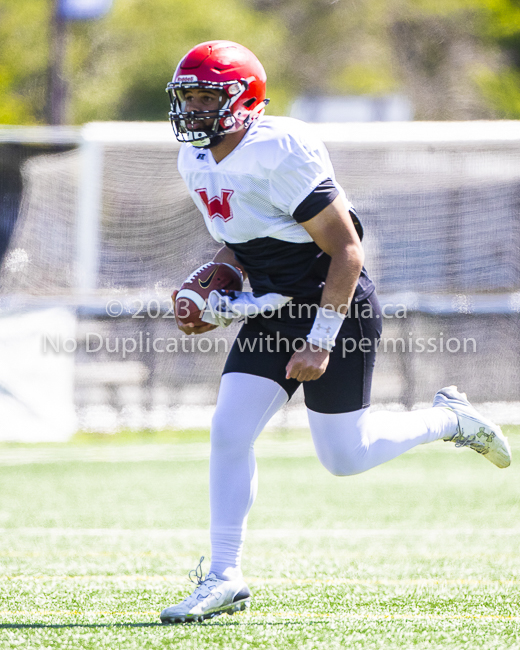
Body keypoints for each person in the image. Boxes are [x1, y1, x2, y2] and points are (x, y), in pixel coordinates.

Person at [160, 40, 511, 624]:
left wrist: (321, 340)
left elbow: (347, 251)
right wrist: (216, 291)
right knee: (229, 430)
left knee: (346, 457)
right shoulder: (193, 158)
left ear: (243, 101)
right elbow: (246, 241)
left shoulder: (280, 148)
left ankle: (452, 418)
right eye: (187, 97)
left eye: (205, 97)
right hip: (274, 308)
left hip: (335, 305)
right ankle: (224, 575)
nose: (192, 110)